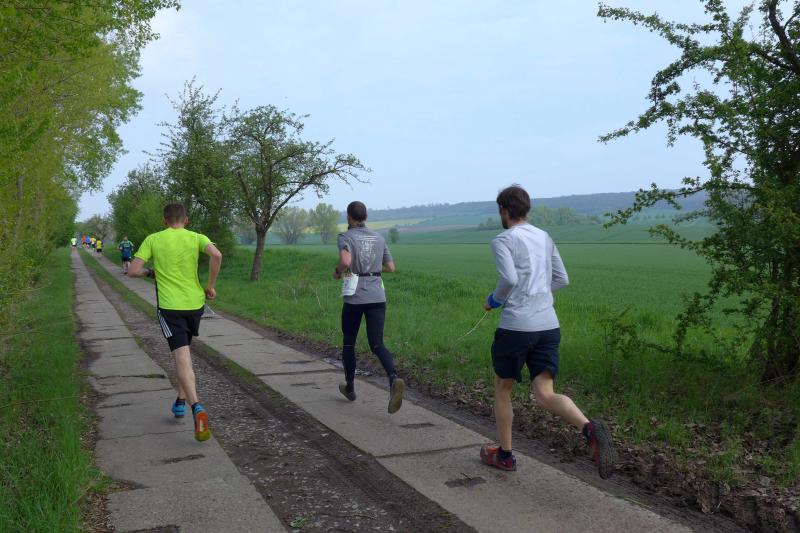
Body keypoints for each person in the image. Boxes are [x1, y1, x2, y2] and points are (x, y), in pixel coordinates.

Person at [479, 185, 615, 478]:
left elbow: (509, 279)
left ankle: (505, 455)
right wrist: (539, 293)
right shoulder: (545, 237)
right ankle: (589, 428)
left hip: (517, 327)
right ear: (526, 209)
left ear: (504, 210)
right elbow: (562, 279)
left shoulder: (503, 239)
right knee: (544, 393)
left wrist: (494, 300)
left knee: (502, 388)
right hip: (548, 325)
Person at [127, 203, 222, 442]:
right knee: (185, 354)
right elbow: (216, 255)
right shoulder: (197, 237)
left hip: (170, 308)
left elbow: (133, 271)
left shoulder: (154, 239)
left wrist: (150, 273)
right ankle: (180, 401)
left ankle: (196, 407)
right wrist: (210, 286)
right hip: (195, 305)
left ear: (164, 221)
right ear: (186, 220)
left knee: (181, 356)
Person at [333, 201, 405, 413]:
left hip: (355, 296)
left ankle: (350, 387)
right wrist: (372, 268)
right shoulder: (379, 238)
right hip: (377, 296)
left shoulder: (345, 236)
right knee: (377, 343)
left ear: (349, 217)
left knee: (349, 343)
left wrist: (337, 272)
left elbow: (345, 261)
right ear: (365, 217)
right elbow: (391, 267)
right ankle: (393, 378)